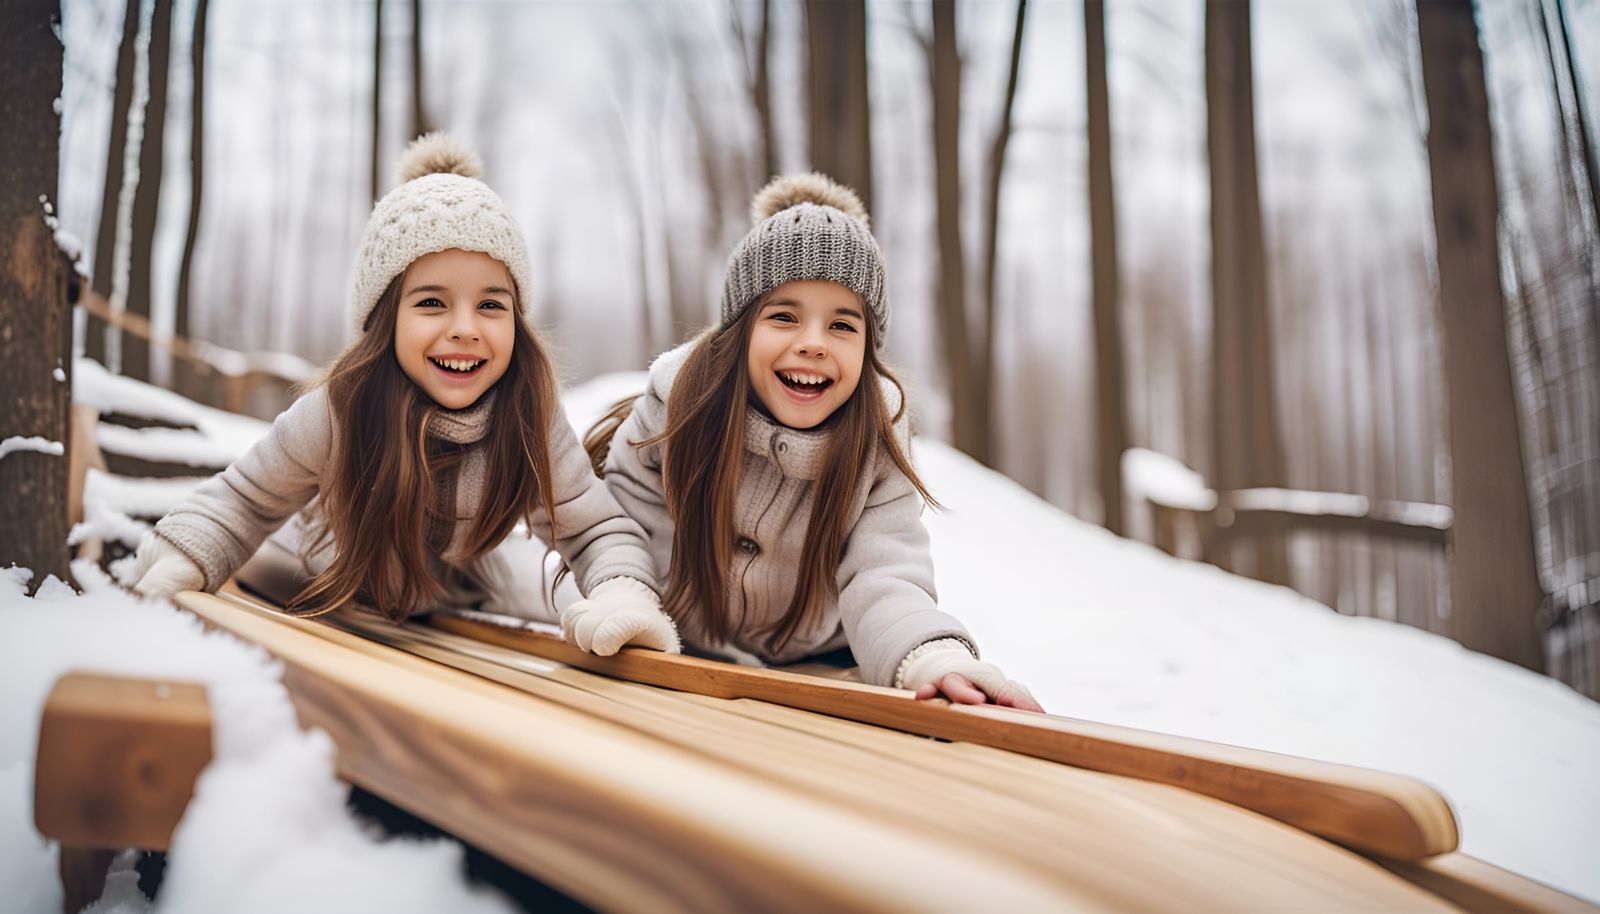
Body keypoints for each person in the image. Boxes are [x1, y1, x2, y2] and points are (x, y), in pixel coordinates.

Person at [125, 133, 674, 650]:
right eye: (432, 303)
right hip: (323, 579)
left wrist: (622, 590)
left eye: (490, 305)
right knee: (266, 567)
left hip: (457, 596)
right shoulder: (339, 412)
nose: (465, 327)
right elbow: (246, 499)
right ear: (385, 321)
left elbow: (594, 526)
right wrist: (188, 552)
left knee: (532, 600)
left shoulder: (527, 419)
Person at [576, 173, 1042, 710]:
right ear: (738, 331)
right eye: (783, 317)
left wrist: (932, 656)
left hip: (821, 663)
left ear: (868, 349)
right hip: (678, 647)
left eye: (842, 326)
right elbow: (624, 525)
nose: (813, 344)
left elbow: (886, 577)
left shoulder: (875, 446)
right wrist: (626, 594)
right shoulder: (676, 409)